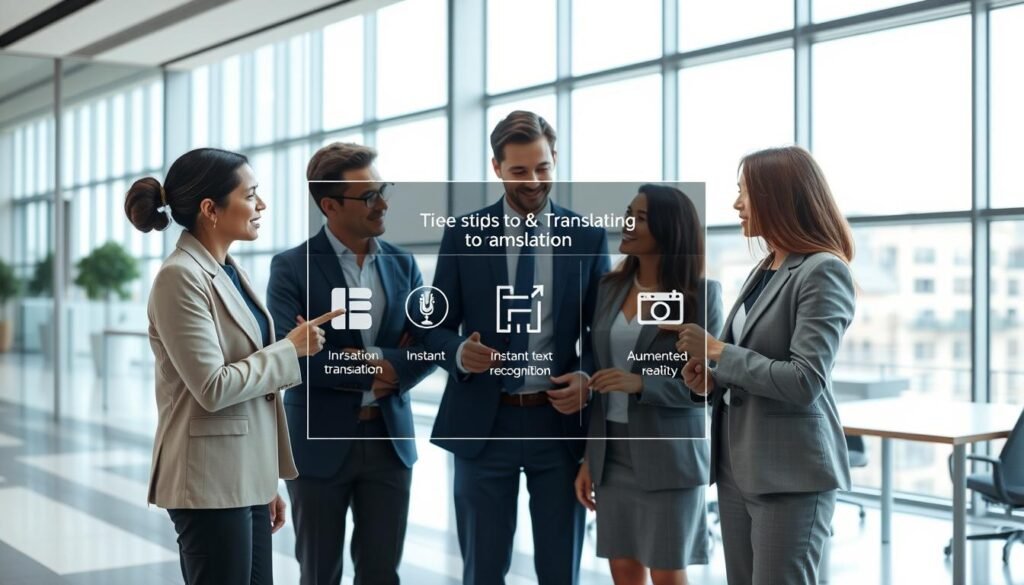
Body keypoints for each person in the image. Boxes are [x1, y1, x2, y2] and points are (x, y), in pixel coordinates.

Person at [125, 147, 340, 585]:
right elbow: (213, 386)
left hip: (241, 478)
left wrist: (265, 483)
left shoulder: (226, 270)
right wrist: (290, 349)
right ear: (211, 209)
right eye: (251, 195)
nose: (261, 205)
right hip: (207, 484)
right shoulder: (179, 277)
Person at [421, 110, 610, 585]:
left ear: (555, 160)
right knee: (482, 570)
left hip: (558, 422)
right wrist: (458, 351)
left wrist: (587, 378)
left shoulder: (585, 236)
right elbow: (434, 327)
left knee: (559, 570)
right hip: (485, 423)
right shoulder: (464, 234)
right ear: (497, 168)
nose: (533, 181)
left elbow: (599, 333)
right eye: (520, 170)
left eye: (543, 168)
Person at [669, 145, 856, 585]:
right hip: (739, 467)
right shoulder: (767, 268)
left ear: (777, 197)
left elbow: (805, 379)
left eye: (744, 193)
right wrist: (709, 381)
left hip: (789, 474)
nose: (736, 205)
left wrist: (719, 352)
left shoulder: (823, 270)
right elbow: (747, 365)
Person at [266, 142, 435, 585]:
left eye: (382, 190)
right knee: (320, 573)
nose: (382, 204)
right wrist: (379, 365)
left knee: (382, 573)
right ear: (330, 205)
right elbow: (294, 361)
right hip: (318, 445)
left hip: (389, 440)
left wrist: (370, 360)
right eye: (368, 196)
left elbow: (426, 346)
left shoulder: (402, 263)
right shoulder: (291, 268)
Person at [575, 185, 723, 585]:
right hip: (613, 453)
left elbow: (707, 389)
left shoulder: (700, 296)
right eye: (628, 213)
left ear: (668, 229)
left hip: (669, 457)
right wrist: (589, 459)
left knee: (666, 573)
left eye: (639, 217)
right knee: (622, 571)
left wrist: (641, 383)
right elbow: (599, 374)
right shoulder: (608, 289)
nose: (626, 223)